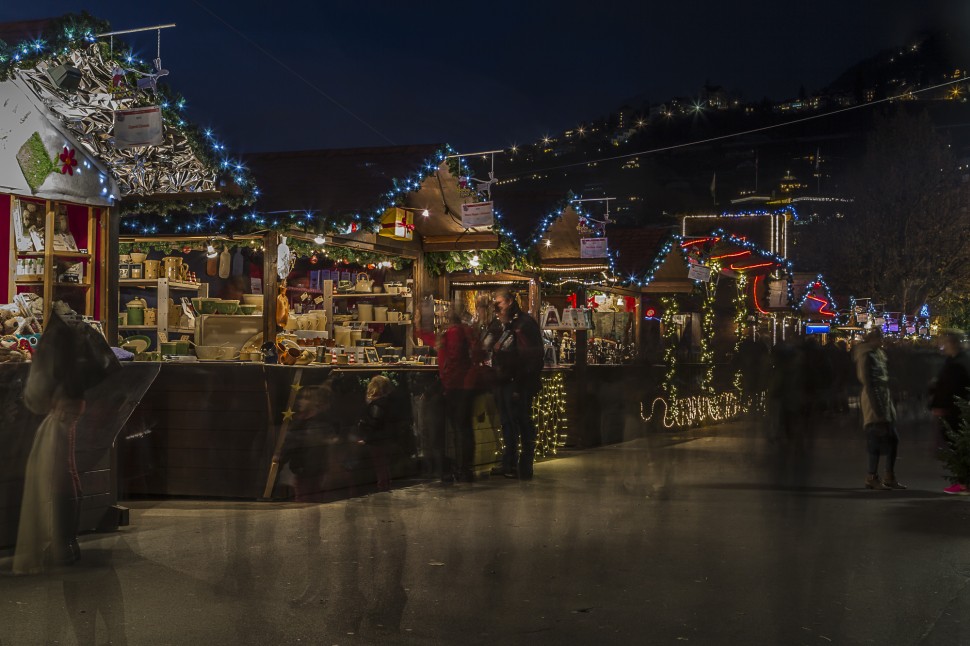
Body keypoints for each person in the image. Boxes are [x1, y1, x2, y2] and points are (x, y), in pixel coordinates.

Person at [14, 313, 119, 574]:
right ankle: (66, 542)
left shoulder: (61, 325)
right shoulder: (69, 321)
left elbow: (61, 368)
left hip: (67, 402)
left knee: (62, 472)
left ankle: (65, 543)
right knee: (66, 469)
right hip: (72, 400)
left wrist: (61, 395)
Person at [490, 288, 544, 480]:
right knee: (507, 423)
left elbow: (532, 357)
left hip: (518, 382)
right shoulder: (507, 325)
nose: (497, 308)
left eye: (499, 303)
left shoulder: (524, 324)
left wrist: (521, 384)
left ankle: (524, 464)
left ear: (510, 301)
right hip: (505, 381)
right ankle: (509, 462)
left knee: (521, 422)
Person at [853, 329, 905, 490]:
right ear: (873, 339)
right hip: (874, 398)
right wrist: (879, 411)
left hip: (883, 396)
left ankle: (887, 475)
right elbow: (869, 383)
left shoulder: (877, 353)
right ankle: (872, 476)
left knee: (891, 438)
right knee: (876, 438)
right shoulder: (868, 355)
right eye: (880, 338)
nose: (882, 341)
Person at [437, 307, 481, 482]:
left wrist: (447, 380)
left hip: (457, 385)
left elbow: (454, 358)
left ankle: (461, 467)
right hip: (467, 384)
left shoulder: (454, 332)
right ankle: (465, 468)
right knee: (465, 428)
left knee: (459, 429)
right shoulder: (467, 331)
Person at [929, 329, 970, 494]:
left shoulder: (957, 364)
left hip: (952, 409)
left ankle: (963, 483)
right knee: (954, 443)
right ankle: (963, 481)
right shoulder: (954, 361)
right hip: (953, 407)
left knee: (955, 444)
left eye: (944, 342)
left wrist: (939, 404)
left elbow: (949, 387)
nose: (942, 346)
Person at [357, 375, 396, 491]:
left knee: (379, 463)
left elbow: (374, 423)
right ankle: (386, 483)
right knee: (383, 463)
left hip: (376, 439)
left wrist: (367, 438)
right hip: (384, 437)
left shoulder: (377, 404)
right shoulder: (387, 402)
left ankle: (382, 485)